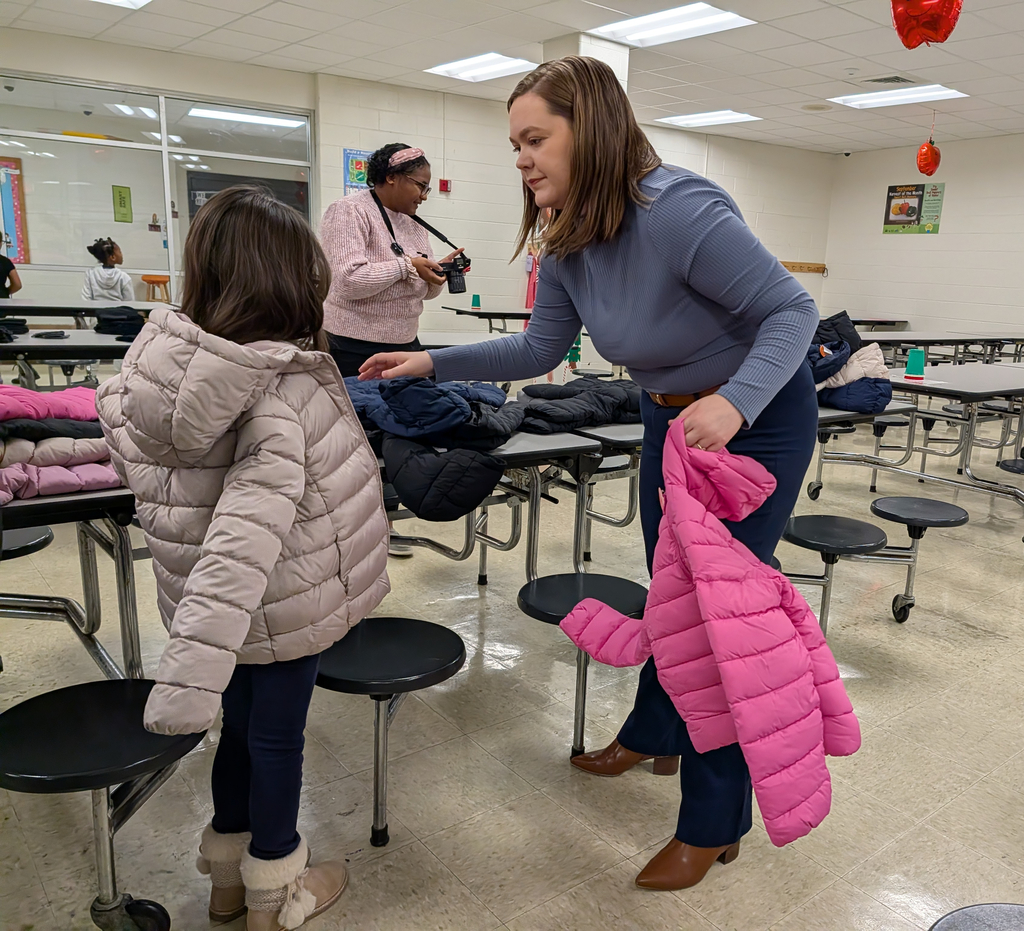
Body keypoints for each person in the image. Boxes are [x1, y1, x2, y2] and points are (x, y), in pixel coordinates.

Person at [359, 56, 820, 891]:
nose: (522, 158)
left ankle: (717, 821)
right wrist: (431, 358)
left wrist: (738, 404)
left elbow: (794, 312)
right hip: (666, 416)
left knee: (723, 619)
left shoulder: (682, 212)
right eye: (514, 144)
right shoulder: (570, 232)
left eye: (535, 138)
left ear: (593, 129)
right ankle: (656, 730)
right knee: (672, 589)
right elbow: (538, 350)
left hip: (754, 424)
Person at [96, 186, 390, 930]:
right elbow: (244, 538)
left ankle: (227, 881)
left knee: (240, 728)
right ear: (295, 280)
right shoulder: (277, 388)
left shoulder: (159, 375)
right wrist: (182, 681)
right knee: (276, 737)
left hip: (205, 596)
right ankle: (274, 892)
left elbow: (147, 473)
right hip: (278, 599)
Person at [319, 142, 465, 557]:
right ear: (390, 178)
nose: (423, 194)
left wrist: (437, 275)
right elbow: (347, 280)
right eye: (419, 185)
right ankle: (344, 531)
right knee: (352, 440)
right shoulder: (349, 212)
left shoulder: (416, 227)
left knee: (399, 434)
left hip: (404, 346)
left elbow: (422, 292)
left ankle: (387, 524)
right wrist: (407, 267)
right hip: (350, 345)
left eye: (428, 188)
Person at [83, 237, 133, 301]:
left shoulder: (90, 274)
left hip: (96, 310)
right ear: (113, 257)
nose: (122, 254)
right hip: (118, 310)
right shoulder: (124, 277)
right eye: (120, 252)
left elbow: (86, 298)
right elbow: (130, 302)